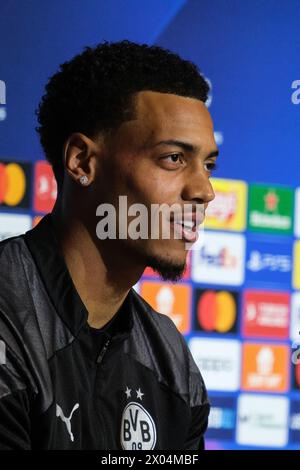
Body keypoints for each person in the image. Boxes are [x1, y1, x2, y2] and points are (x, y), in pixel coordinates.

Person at [0, 40, 218, 450]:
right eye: (173, 158)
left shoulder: (171, 359)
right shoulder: (7, 319)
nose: (203, 190)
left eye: (208, 164)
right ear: (82, 162)